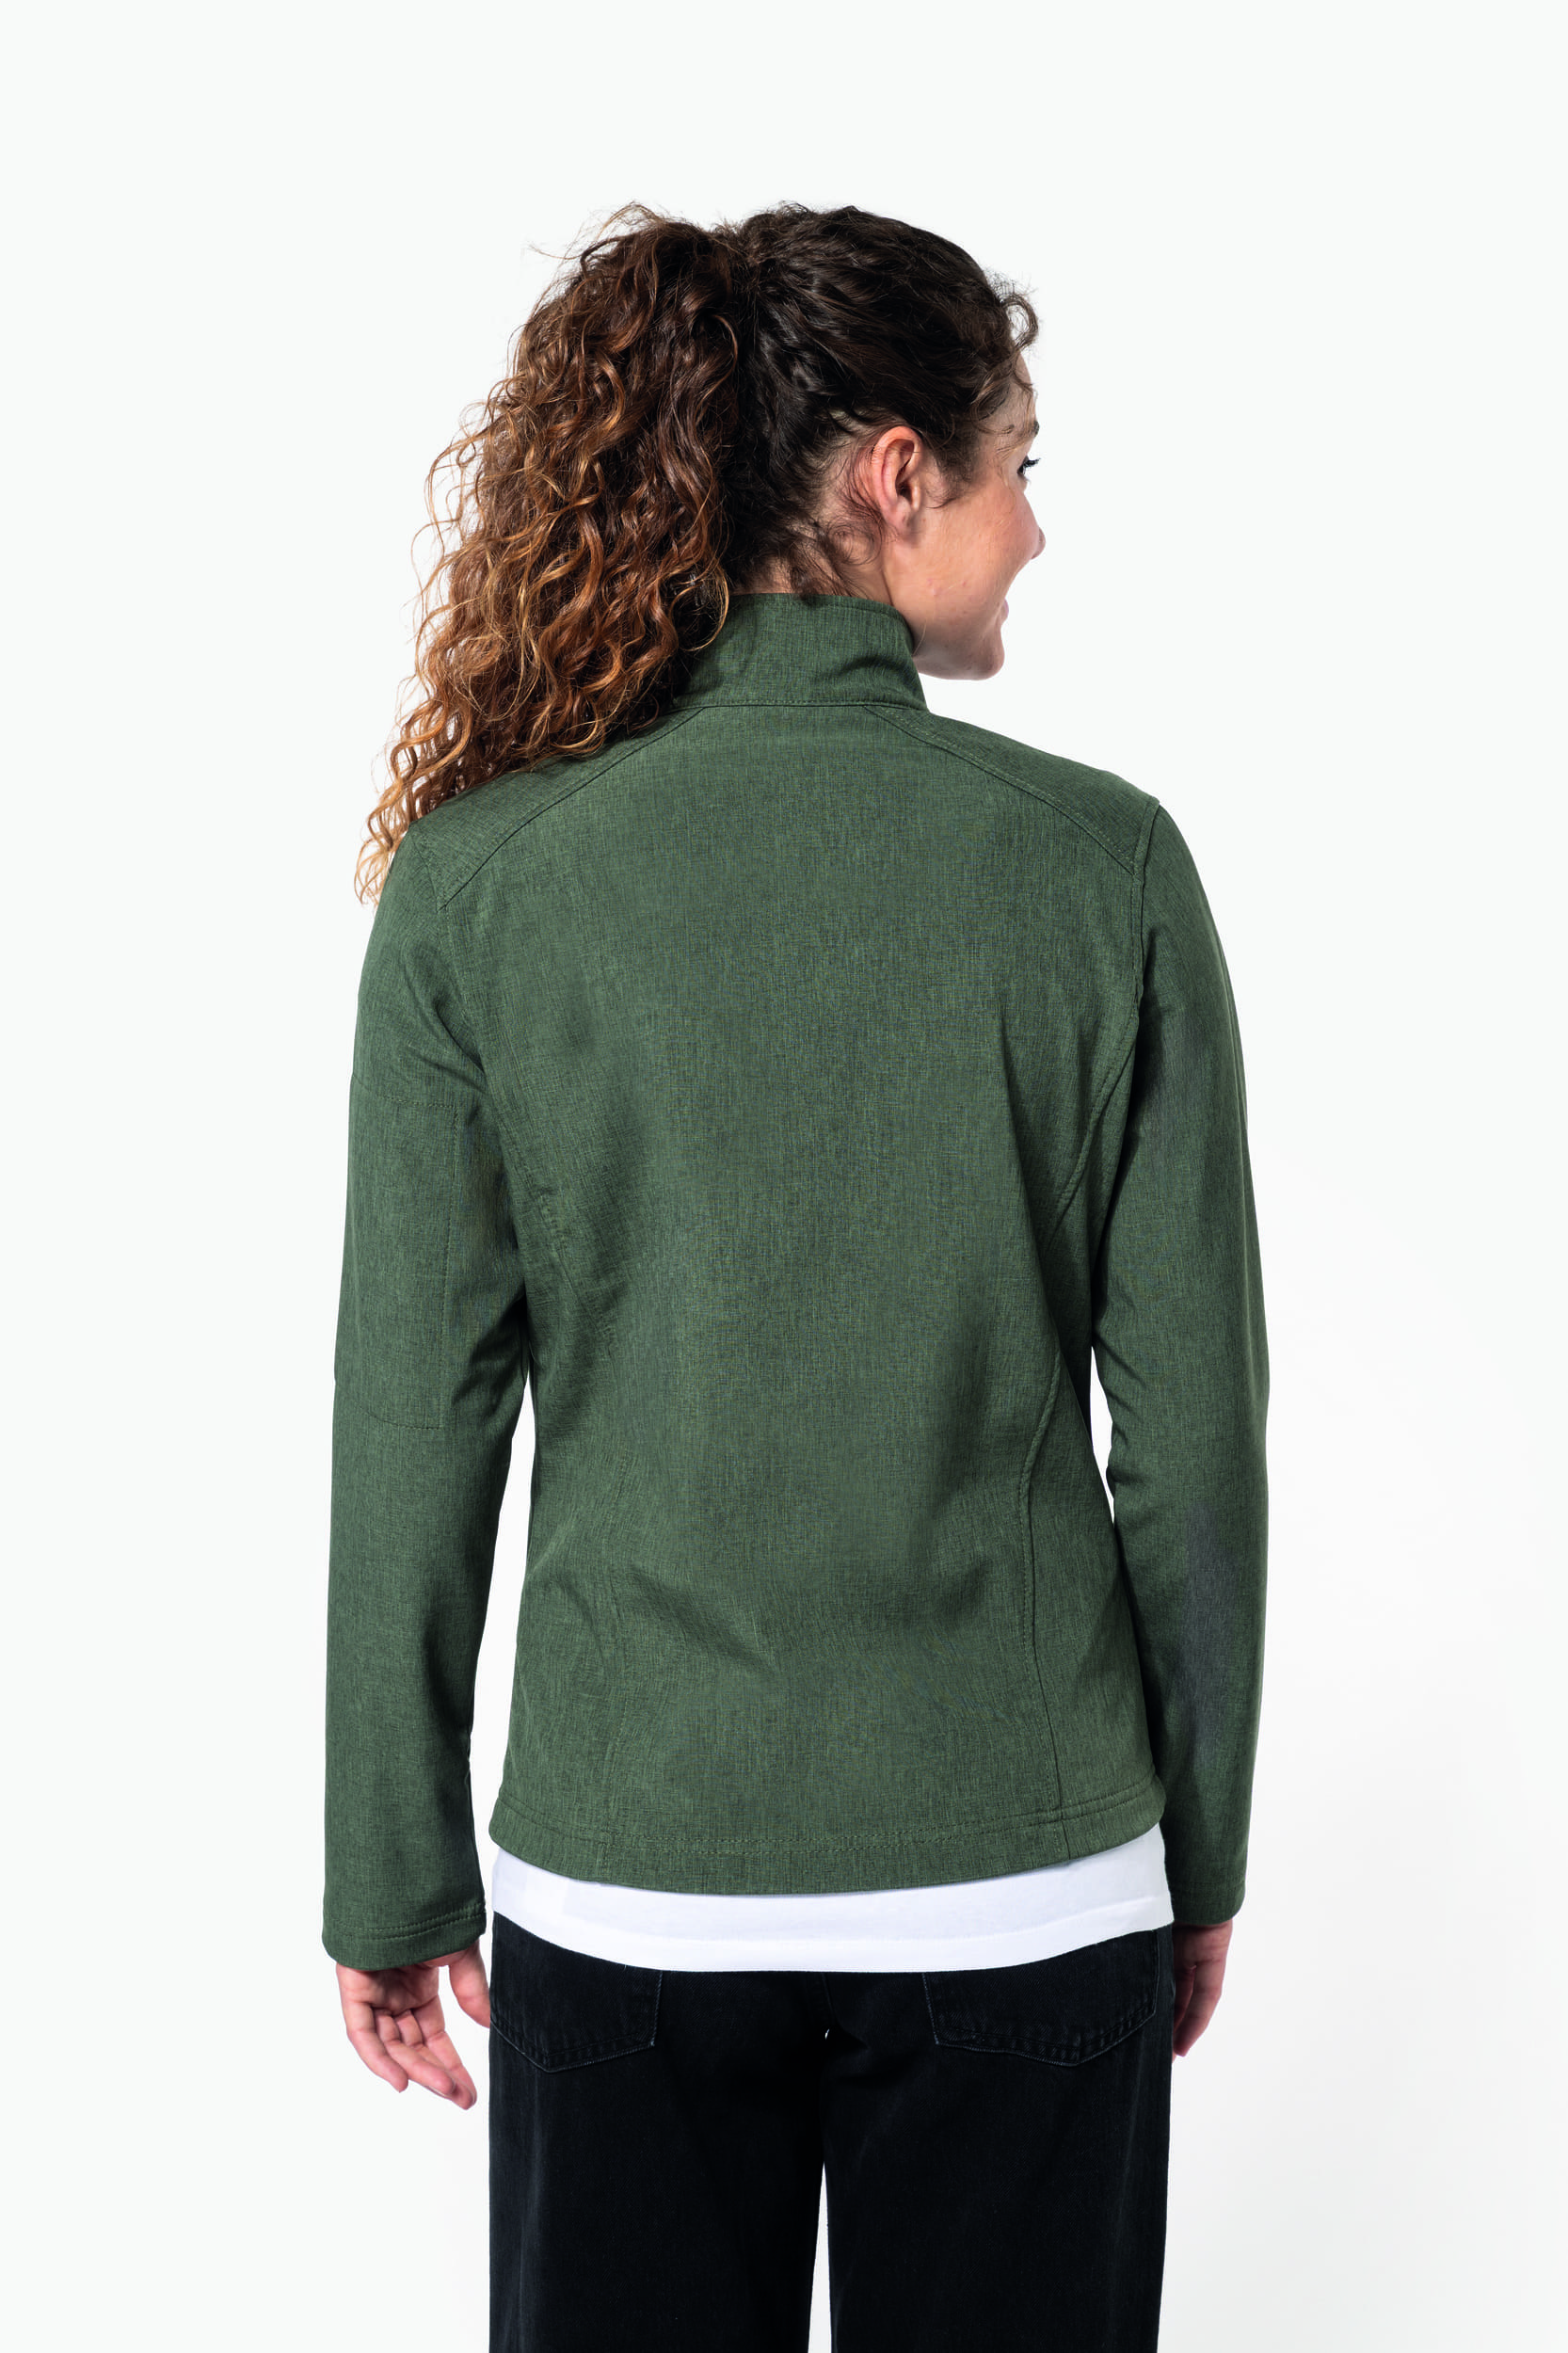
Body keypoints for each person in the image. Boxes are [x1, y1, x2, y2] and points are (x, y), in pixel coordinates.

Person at [324, 200, 1269, 2352]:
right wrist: (1189, 1845)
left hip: (628, 1886)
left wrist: (387, 1860)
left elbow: (414, 1412)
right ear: (894, 477)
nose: (1034, 530)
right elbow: (1195, 1441)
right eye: (1017, 466)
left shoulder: (481, 884)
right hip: (1028, 1879)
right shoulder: (1104, 869)